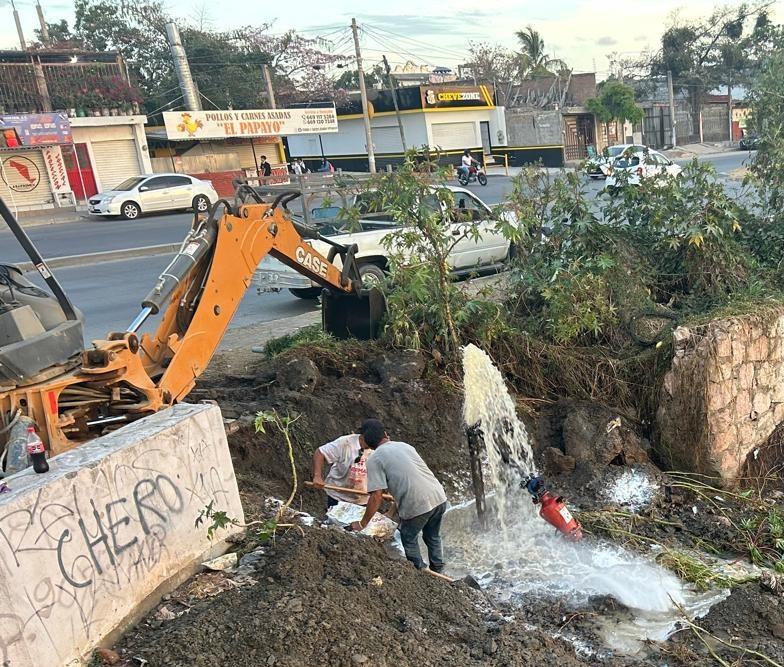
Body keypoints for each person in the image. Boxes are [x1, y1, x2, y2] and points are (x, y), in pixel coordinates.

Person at [351, 420, 448, 573]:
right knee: (432, 535)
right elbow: (408, 480)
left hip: (417, 502)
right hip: (438, 496)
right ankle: (438, 569)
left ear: (368, 443)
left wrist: (363, 523)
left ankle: (421, 572)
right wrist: (391, 513)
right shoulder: (405, 446)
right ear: (385, 435)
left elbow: (376, 496)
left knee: (408, 537)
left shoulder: (374, 459)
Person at [311, 421, 376, 508]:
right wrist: (317, 476)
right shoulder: (346, 443)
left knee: (359, 521)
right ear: (363, 436)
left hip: (362, 498)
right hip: (338, 494)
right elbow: (320, 452)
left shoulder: (379, 448)